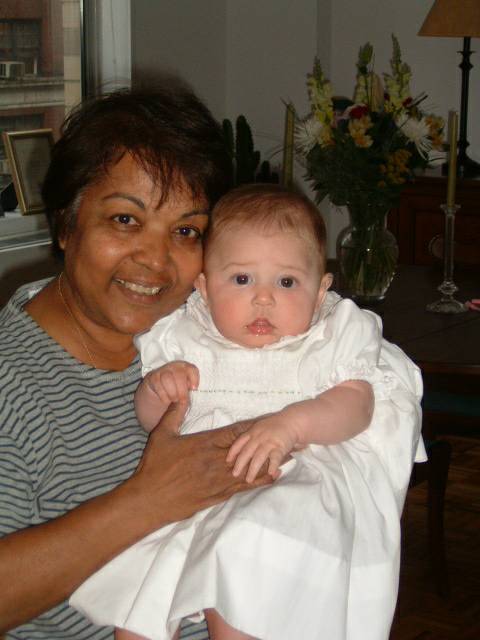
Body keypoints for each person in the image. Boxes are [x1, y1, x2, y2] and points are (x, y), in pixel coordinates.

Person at [70, 185, 426, 640]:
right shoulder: (184, 336)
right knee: (139, 605)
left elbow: (357, 406)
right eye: (241, 279)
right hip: (195, 492)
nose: (263, 299)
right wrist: (158, 391)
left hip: (289, 483)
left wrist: (291, 425)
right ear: (204, 288)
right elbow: (156, 425)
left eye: (286, 282)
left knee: (241, 579)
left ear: (321, 292)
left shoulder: (331, 336)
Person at [0, 83, 278, 640]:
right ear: (66, 223)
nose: (155, 260)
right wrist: (149, 501)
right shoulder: (12, 382)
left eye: (185, 231)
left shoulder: (206, 332)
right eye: (125, 219)